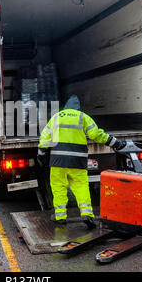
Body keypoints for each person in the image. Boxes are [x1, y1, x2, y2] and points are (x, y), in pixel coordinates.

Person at [37, 95, 126, 229]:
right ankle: (86, 214)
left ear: (66, 107)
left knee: (58, 187)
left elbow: (44, 136)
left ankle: (60, 217)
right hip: (77, 160)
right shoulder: (83, 117)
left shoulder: (56, 117)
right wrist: (115, 142)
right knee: (81, 186)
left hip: (58, 161)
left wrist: (41, 153)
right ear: (78, 108)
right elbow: (96, 135)